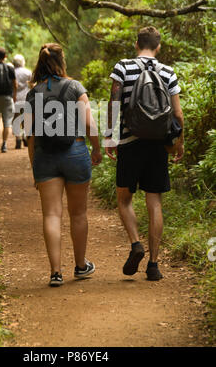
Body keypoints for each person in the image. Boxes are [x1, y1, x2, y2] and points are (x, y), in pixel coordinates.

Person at [104, 26, 184, 281]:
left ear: (136, 43)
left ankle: (135, 244)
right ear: (158, 47)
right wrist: (178, 143)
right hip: (158, 145)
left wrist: (110, 136)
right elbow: (177, 113)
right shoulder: (168, 71)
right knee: (155, 202)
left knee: (124, 199)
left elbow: (114, 102)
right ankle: (153, 264)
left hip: (129, 142)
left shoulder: (123, 67)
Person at [25, 43, 102, 287]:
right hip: (76, 152)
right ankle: (80, 266)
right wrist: (97, 148)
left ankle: (55, 273)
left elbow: (30, 135)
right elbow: (89, 124)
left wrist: (34, 167)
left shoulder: (33, 92)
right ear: (61, 61)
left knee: (51, 214)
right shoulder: (75, 86)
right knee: (78, 213)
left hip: (45, 157)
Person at [12, 54, 32, 149]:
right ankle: (24, 135)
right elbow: (32, 84)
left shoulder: (11, 72)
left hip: (15, 98)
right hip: (26, 98)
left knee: (16, 119)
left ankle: (18, 138)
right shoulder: (28, 72)